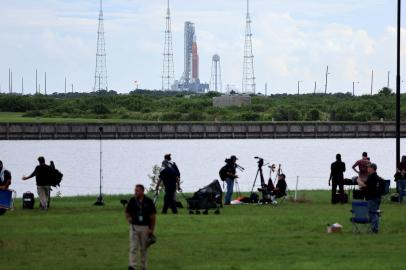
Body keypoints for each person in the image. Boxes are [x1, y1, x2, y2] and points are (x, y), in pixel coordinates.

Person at [125, 184, 157, 270]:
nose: (135, 192)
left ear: (142, 191)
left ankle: (143, 267)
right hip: (134, 227)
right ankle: (132, 266)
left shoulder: (148, 201)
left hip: (145, 228)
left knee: (144, 248)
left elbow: (153, 217)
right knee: (133, 247)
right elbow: (127, 212)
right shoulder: (132, 200)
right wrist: (129, 218)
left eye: (137, 191)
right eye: (135, 190)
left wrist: (151, 229)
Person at [365, 163, 382, 234]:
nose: (367, 169)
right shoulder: (379, 178)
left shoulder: (371, 177)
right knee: (376, 213)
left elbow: (366, 185)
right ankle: (376, 228)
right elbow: (383, 187)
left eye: (368, 168)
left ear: (372, 169)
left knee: (372, 214)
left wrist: (358, 181)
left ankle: (373, 229)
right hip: (377, 198)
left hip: (371, 198)